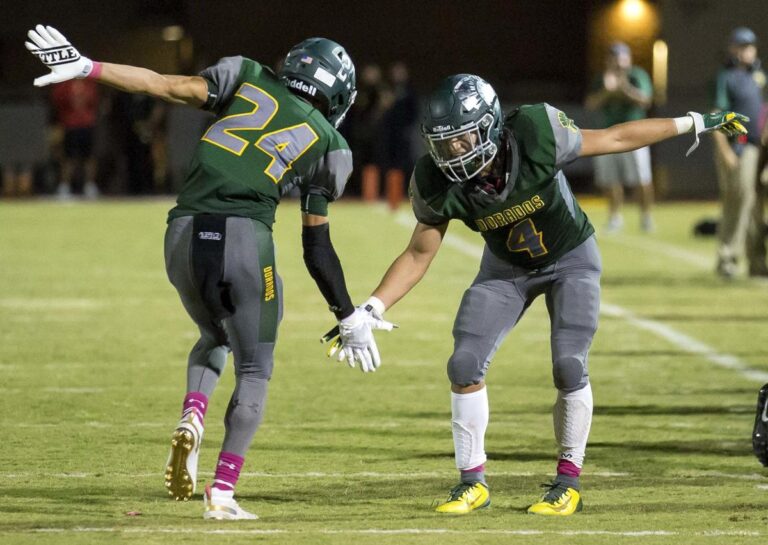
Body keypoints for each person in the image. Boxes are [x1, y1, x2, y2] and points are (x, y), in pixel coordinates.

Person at [330, 74, 747, 516]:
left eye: (461, 139)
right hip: (506, 271)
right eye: (443, 144)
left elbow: (616, 135)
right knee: (464, 363)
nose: (452, 153)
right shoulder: (437, 180)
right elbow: (418, 253)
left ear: (489, 125)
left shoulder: (535, 132)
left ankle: (567, 483)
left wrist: (695, 122)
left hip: (571, 258)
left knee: (569, 365)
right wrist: (372, 307)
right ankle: (472, 483)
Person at [26, 24, 392, 520]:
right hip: (244, 241)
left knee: (213, 333)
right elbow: (316, 246)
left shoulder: (246, 76)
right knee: (255, 366)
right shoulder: (331, 145)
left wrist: (90, 67)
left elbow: (160, 83)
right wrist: (347, 315)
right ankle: (221, 493)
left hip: (181, 233)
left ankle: (192, 415)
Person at [712, 27, 767, 278]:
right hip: (739, 143)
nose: (747, 51)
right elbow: (716, 116)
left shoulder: (759, 76)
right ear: (733, 49)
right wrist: (725, 150)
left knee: (756, 204)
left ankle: (757, 260)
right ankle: (728, 257)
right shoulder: (727, 76)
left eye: (750, 46)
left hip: (758, 145)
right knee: (740, 199)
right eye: (741, 46)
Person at [585, 42, 654, 232]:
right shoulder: (602, 79)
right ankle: (615, 216)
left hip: (634, 133)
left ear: (628, 59)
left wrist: (624, 88)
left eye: (621, 57)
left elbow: (645, 100)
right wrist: (607, 92)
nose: (617, 62)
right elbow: (590, 103)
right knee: (610, 179)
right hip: (608, 134)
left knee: (642, 177)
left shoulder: (637, 75)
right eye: (614, 57)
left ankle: (646, 216)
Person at [50, 78, 101, 199]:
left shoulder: (89, 84)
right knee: (68, 158)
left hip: (87, 124)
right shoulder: (65, 83)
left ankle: (90, 185)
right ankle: (65, 186)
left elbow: (95, 100)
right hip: (70, 125)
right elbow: (57, 100)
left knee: (89, 157)